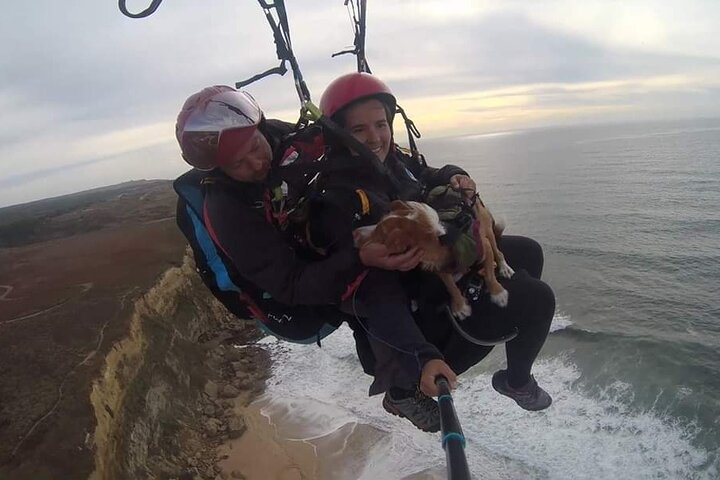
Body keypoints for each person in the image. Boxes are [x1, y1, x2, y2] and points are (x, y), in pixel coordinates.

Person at [312, 72, 555, 417]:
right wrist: (420, 357)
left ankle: (496, 324)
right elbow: (374, 294)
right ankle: (431, 387)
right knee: (539, 299)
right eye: (359, 130)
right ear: (338, 135)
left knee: (529, 252)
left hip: (429, 278)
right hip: (406, 323)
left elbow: (425, 174)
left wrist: (455, 174)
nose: (374, 138)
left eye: (380, 125)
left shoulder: (390, 163)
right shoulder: (342, 199)